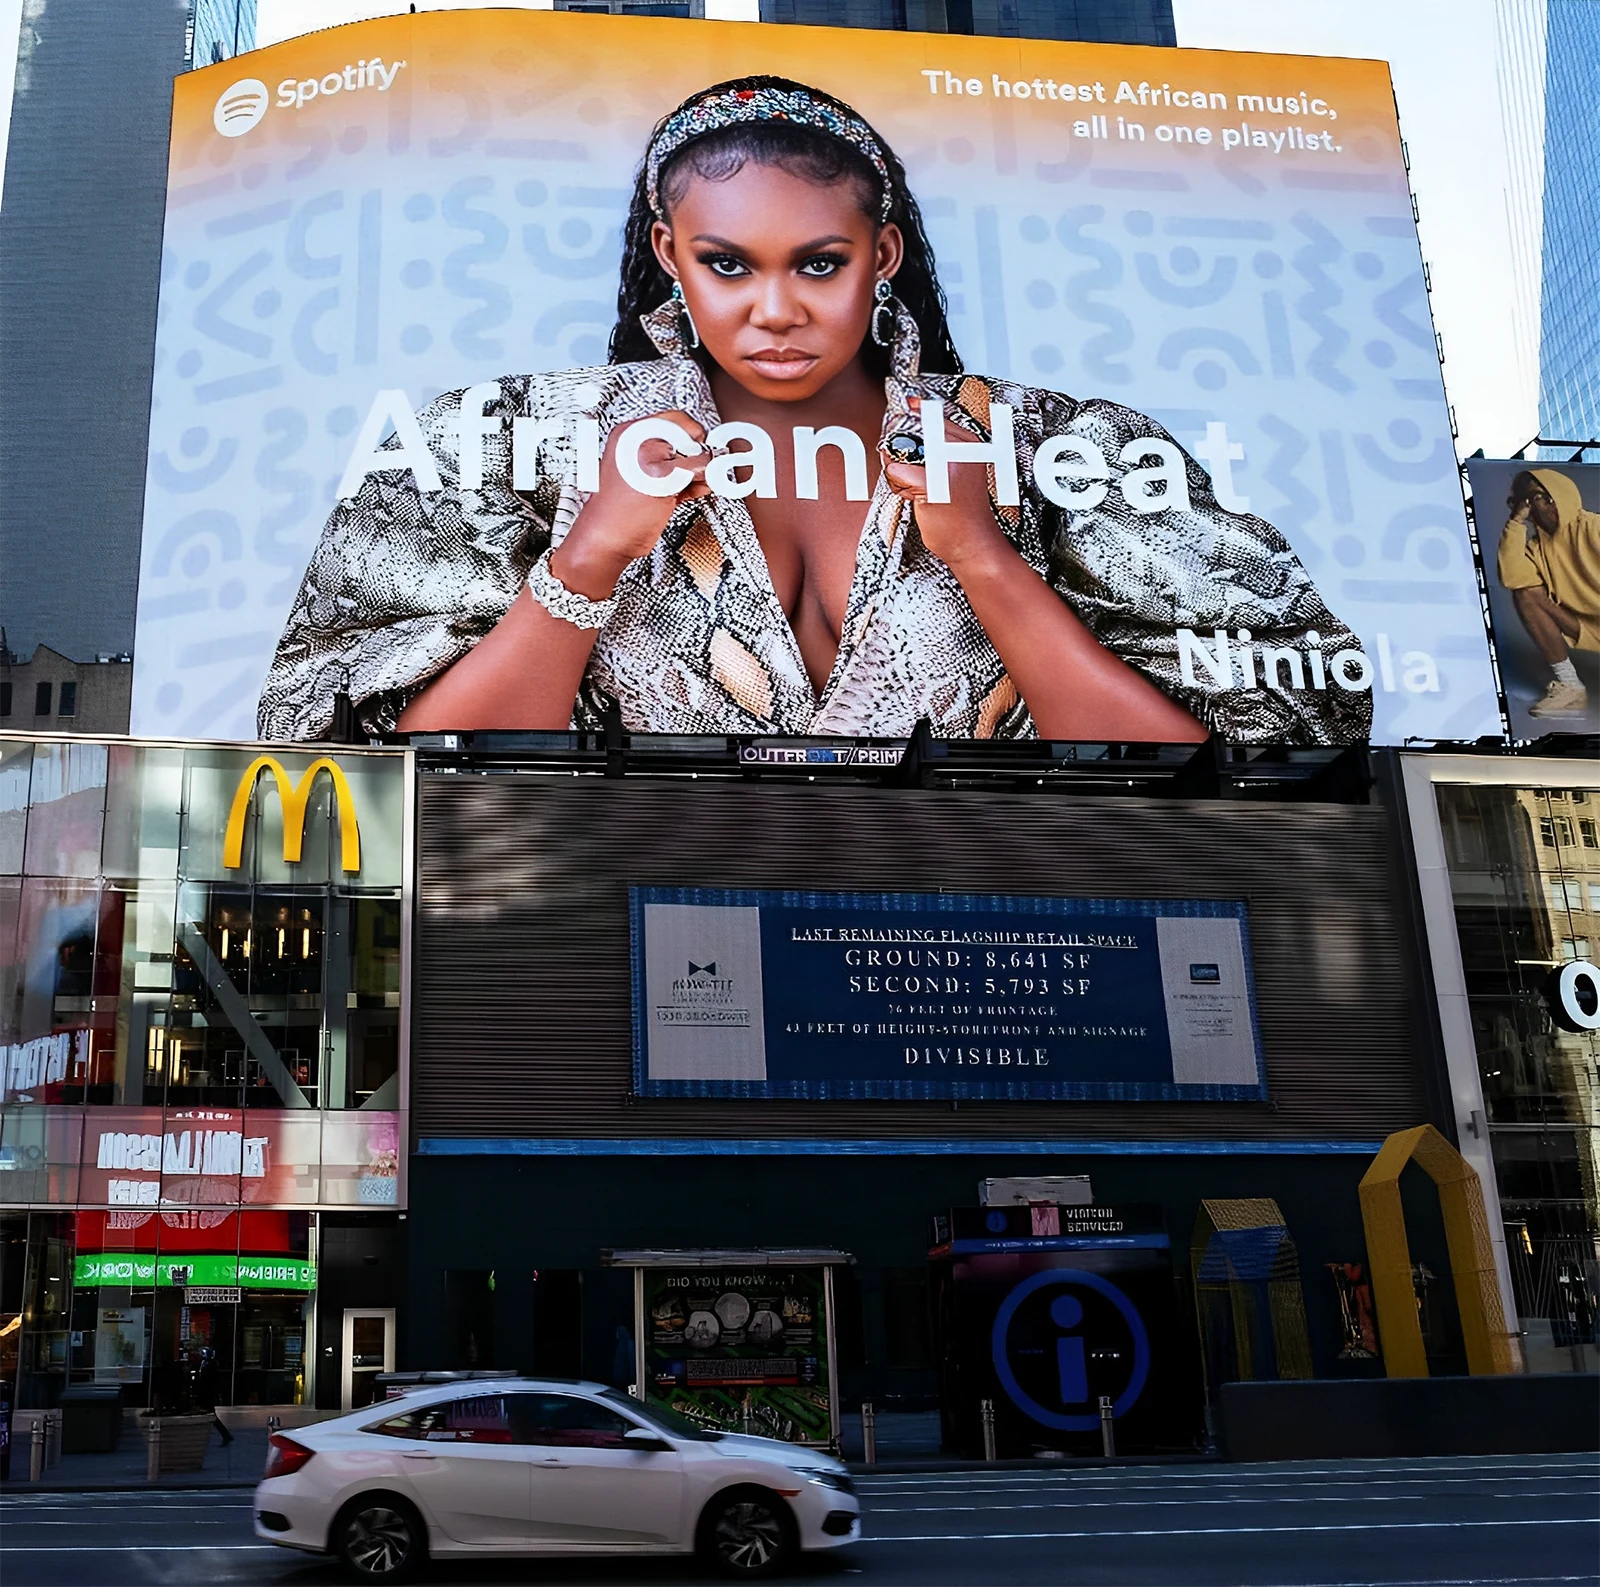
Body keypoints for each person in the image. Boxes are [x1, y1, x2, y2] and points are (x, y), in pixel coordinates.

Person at [258, 76, 1370, 746]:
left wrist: (982, 555)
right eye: (728, 263)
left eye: (820, 262)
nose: (775, 310)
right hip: (618, 987)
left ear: (881, 256)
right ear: (667, 256)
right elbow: (389, 778)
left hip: (1015, 970)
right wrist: (589, 557)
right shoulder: (506, 438)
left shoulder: (1060, 447)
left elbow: (1245, 766)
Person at [1497, 467, 1600, 718]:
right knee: (1526, 594)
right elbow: (1512, 578)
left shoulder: (1594, 527)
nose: (1548, 502)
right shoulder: (1535, 550)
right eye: (1536, 498)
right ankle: (1571, 687)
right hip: (1590, 628)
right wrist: (1516, 523)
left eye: (1549, 494)